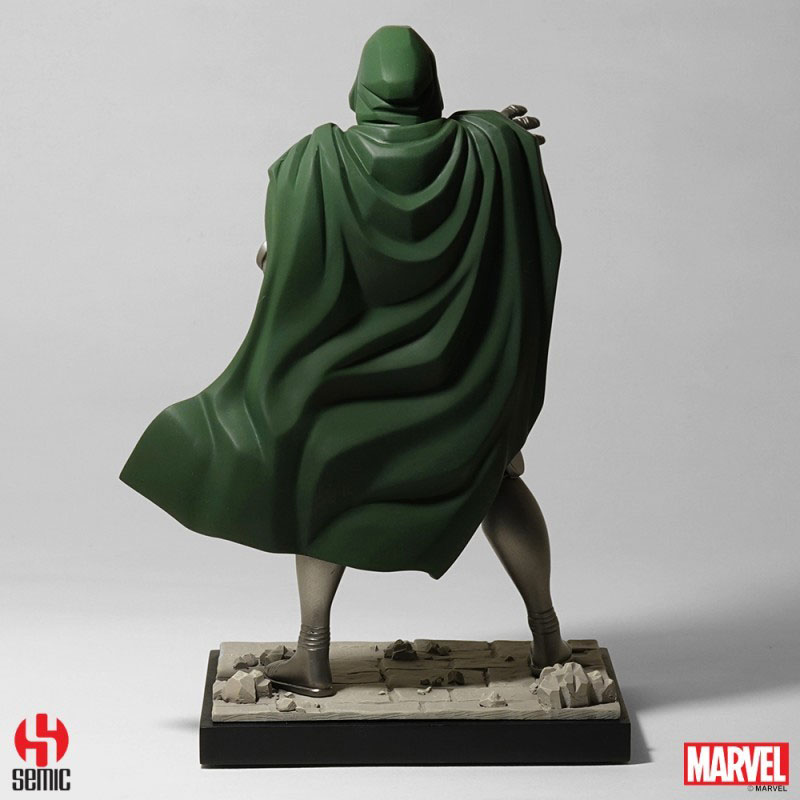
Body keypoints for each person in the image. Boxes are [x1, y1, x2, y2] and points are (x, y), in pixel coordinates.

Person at [121, 25, 570, 697]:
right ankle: (547, 635)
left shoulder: (315, 162)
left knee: (321, 483)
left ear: (359, 89)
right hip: (464, 385)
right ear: (433, 88)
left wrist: (277, 259)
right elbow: (523, 228)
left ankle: (314, 654)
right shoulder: (487, 149)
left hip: (355, 390)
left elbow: (283, 269)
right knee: (496, 481)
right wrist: (501, 141)